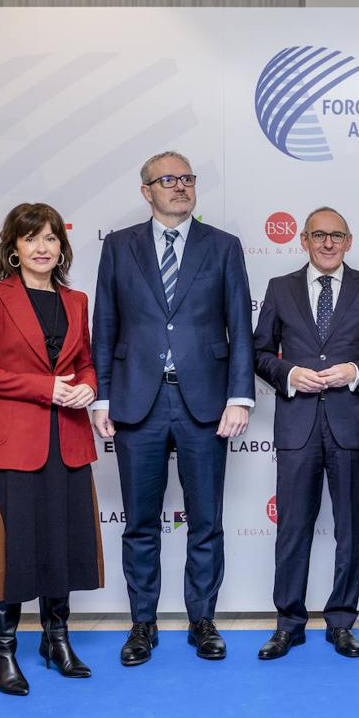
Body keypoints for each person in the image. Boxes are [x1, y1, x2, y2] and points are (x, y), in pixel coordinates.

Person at [91, 151, 254, 665]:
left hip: (204, 403)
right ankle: (142, 625)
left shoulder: (223, 247)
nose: (180, 187)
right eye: (168, 180)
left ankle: (202, 620)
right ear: (147, 191)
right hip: (137, 401)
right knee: (141, 522)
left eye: (187, 179)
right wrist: (102, 396)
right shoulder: (118, 248)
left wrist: (240, 395)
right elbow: (105, 327)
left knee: (206, 519)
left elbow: (239, 328)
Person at [0, 203, 104, 695]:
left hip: (68, 439)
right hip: (15, 443)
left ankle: (56, 640)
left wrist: (86, 386)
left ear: (62, 248)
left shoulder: (76, 300)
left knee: (61, 544)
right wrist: (46, 389)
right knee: (12, 549)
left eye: (51, 239)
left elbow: (85, 362)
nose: (43, 248)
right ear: (13, 249)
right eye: (31, 239)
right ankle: (4, 652)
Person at [253, 207, 359, 660]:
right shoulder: (279, 289)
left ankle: (341, 623)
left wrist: (355, 370)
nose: (328, 243)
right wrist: (290, 373)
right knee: (292, 529)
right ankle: (288, 624)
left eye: (337, 236)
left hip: (351, 426)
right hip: (297, 427)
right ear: (304, 240)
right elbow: (258, 353)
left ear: (349, 241)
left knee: (350, 529)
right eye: (319, 235)